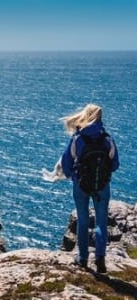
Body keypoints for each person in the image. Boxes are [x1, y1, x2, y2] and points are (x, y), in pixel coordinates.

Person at [61, 104, 119, 273]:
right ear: (100, 118)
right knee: (101, 223)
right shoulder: (107, 139)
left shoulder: (78, 138)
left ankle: (83, 258)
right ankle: (100, 258)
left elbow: (66, 164)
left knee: (83, 221)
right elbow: (115, 164)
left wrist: (74, 175)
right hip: (102, 186)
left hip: (81, 185)